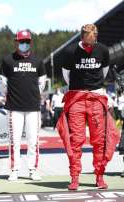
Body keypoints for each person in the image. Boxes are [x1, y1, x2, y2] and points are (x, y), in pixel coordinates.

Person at [57, 24, 120, 190]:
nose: (91, 46)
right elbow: (66, 75)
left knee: (100, 140)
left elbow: (104, 71)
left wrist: (94, 87)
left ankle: (99, 176)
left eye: (94, 42)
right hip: (77, 97)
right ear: (82, 37)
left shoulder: (103, 50)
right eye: (88, 43)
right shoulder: (70, 52)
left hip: (97, 98)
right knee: (75, 140)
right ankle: (75, 177)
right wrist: (79, 87)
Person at [0, 30, 46, 181]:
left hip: (33, 107)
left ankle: (33, 169)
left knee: (33, 140)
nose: (24, 44)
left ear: (30, 42)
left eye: (27, 41)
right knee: (15, 141)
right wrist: (12, 95)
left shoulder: (38, 61)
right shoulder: (8, 60)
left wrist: (32, 96)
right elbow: (3, 84)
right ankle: (14, 170)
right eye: (21, 41)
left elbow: (42, 83)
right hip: (14, 107)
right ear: (16, 42)